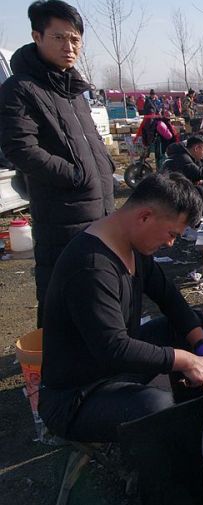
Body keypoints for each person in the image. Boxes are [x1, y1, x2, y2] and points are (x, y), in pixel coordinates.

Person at [38, 174, 203, 443]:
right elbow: (114, 348)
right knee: (157, 408)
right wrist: (185, 359)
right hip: (77, 396)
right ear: (145, 216)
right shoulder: (91, 267)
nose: (171, 244)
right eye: (171, 234)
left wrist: (200, 342)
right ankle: (169, 437)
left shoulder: (132, 245)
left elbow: (168, 296)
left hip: (112, 368)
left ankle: (194, 412)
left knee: (185, 328)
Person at [0, 0, 116, 327]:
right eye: (59, 38)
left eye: (75, 39)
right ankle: (56, 372)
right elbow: (19, 148)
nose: (69, 47)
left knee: (95, 293)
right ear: (37, 36)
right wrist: (75, 175)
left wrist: (104, 169)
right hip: (62, 214)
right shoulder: (20, 89)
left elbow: (90, 143)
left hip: (99, 211)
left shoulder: (73, 92)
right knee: (62, 296)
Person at [161, 135, 203, 211]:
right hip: (172, 193)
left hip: (177, 188)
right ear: (196, 148)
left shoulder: (185, 155)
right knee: (200, 190)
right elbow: (199, 173)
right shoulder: (183, 157)